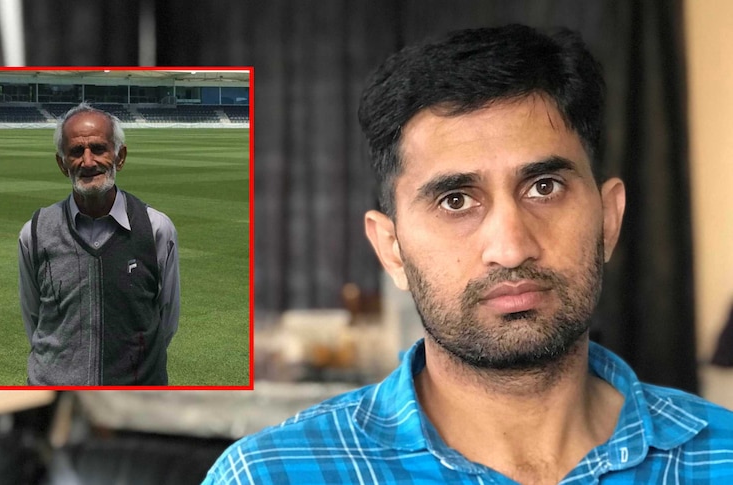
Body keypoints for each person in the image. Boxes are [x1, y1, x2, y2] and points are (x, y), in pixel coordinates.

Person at [205, 24, 733, 484]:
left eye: (544, 187)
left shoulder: (722, 457)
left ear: (609, 220)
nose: (510, 247)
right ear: (391, 250)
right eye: (455, 200)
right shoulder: (269, 476)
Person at [18, 103, 180, 386]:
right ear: (62, 163)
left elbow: (167, 319)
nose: (88, 161)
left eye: (99, 148)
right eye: (76, 152)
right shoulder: (34, 232)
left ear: (120, 157)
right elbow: (35, 318)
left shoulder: (156, 228)